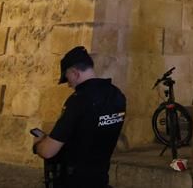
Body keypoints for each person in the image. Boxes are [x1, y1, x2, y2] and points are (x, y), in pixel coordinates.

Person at [32, 46, 127, 188]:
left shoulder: (78, 101)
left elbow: (48, 151)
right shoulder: (117, 95)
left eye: (67, 78)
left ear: (75, 73)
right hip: (100, 180)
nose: (69, 84)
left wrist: (38, 143)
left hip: (74, 181)